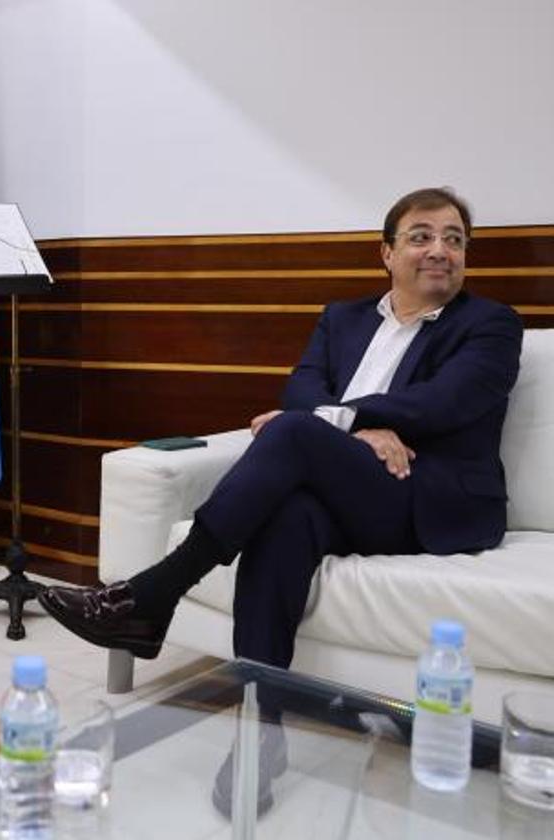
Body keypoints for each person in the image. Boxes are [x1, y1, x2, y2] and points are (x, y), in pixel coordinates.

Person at [40, 186, 522, 811]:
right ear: (386, 253)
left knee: (297, 432)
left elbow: (444, 403)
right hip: (353, 491)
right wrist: (354, 429)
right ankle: (260, 732)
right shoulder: (342, 318)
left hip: (432, 498)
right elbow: (299, 389)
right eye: (422, 236)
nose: (441, 250)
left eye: (455, 240)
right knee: (285, 518)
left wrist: (339, 421)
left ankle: (154, 594)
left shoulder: (491, 325)